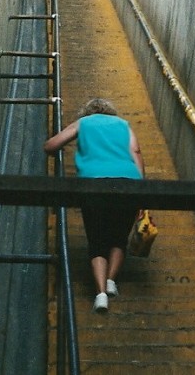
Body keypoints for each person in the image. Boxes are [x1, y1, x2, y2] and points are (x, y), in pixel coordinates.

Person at [43, 98, 146, 313]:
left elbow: (51, 145)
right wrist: (141, 189)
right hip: (127, 183)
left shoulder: (84, 123)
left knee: (97, 241)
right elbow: (136, 152)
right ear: (111, 111)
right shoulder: (123, 124)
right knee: (119, 238)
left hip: (93, 184)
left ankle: (100, 295)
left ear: (87, 111)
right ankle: (111, 281)